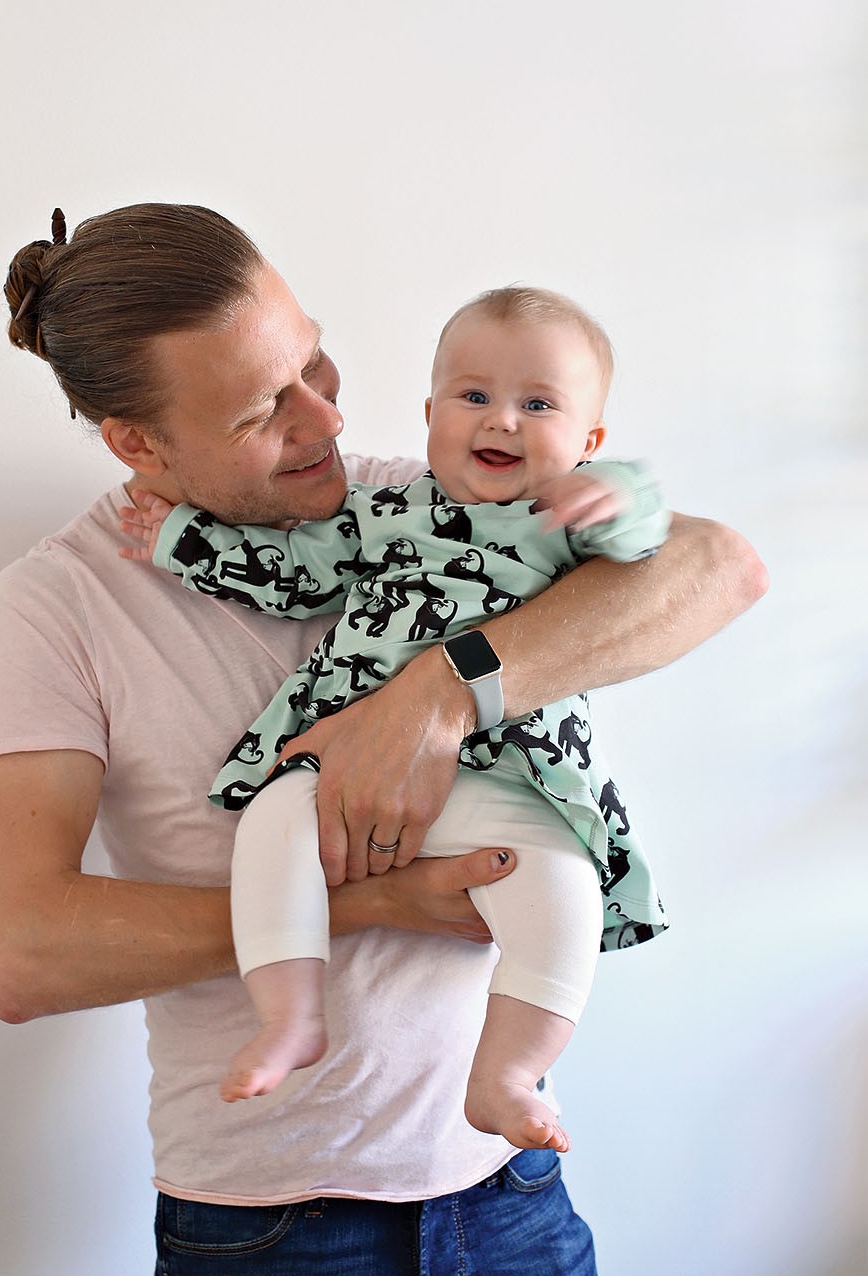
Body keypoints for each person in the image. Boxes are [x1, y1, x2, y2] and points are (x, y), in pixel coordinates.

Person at [0, 202, 767, 1276]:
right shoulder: (57, 606)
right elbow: (22, 953)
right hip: (268, 1238)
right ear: (138, 444)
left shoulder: (413, 499)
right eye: (262, 410)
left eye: (315, 362)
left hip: (509, 1194)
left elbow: (717, 567)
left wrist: (440, 694)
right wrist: (374, 901)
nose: (327, 418)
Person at [119, 286, 670, 1153]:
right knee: (272, 825)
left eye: (539, 405)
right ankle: (291, 1014)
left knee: (567, 892)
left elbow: (657, 547)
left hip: (513, 772)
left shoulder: (563, 522)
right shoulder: (378, 513)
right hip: (349, 751)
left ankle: (509, 1071)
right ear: (430, 414)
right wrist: (181, 539)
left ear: (587, 443)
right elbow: (292, 572)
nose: (503, 420)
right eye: (474, 395)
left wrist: (618, 495)